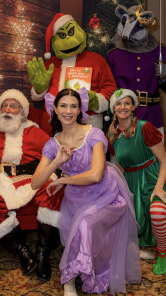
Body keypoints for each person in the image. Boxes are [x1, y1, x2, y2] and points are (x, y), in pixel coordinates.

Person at [31, 88, 141, 295]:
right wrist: (57, 161)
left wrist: (63, 179)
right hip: (76, 200)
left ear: (79, 109)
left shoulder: (94, 134)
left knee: (84, 225)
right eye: (63, 106)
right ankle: (71, 279)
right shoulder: (52, 144)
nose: (68, 111)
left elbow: (96, 175)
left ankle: (70, 279)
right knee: (82, 229)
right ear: (54, 109)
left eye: (73, 106)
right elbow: (35, 183)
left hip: (106, 196)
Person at [0, 89, 64, 282]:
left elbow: (54, 158)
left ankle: (42, 252)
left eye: (13, 106)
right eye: (4, 106)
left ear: (22, 112)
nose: (7, 110)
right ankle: (21, 249)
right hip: (0, 182)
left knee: (54, 193)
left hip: (33, 179)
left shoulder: (37, 133)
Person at [106, 88, 166, 275]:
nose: (122, 107)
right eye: (118, 103)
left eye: (127, 103)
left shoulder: (145, 127)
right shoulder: (111, 135)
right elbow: (120, 168)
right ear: (113, 109)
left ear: (133, 107)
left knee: (156, 211)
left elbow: (164, 161)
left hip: (153, 177)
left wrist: (158, 188)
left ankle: (163, 252)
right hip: (131, 182)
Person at [27, 13, 117, 129]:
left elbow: (110, 88)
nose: (69, 39)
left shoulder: (97, 60)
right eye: (62, 36)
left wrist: (95, 101)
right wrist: (39, 89)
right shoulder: (50, 64)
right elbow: (36, 97)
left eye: (71, 32)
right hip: (53, 124)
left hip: (88, 125)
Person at [106, 5, 166, 134]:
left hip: (152, 117)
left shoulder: (162, 52)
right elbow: (109, 88)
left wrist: (165, 79)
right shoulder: (114, 55)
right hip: (123, 118)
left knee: (154, 154)